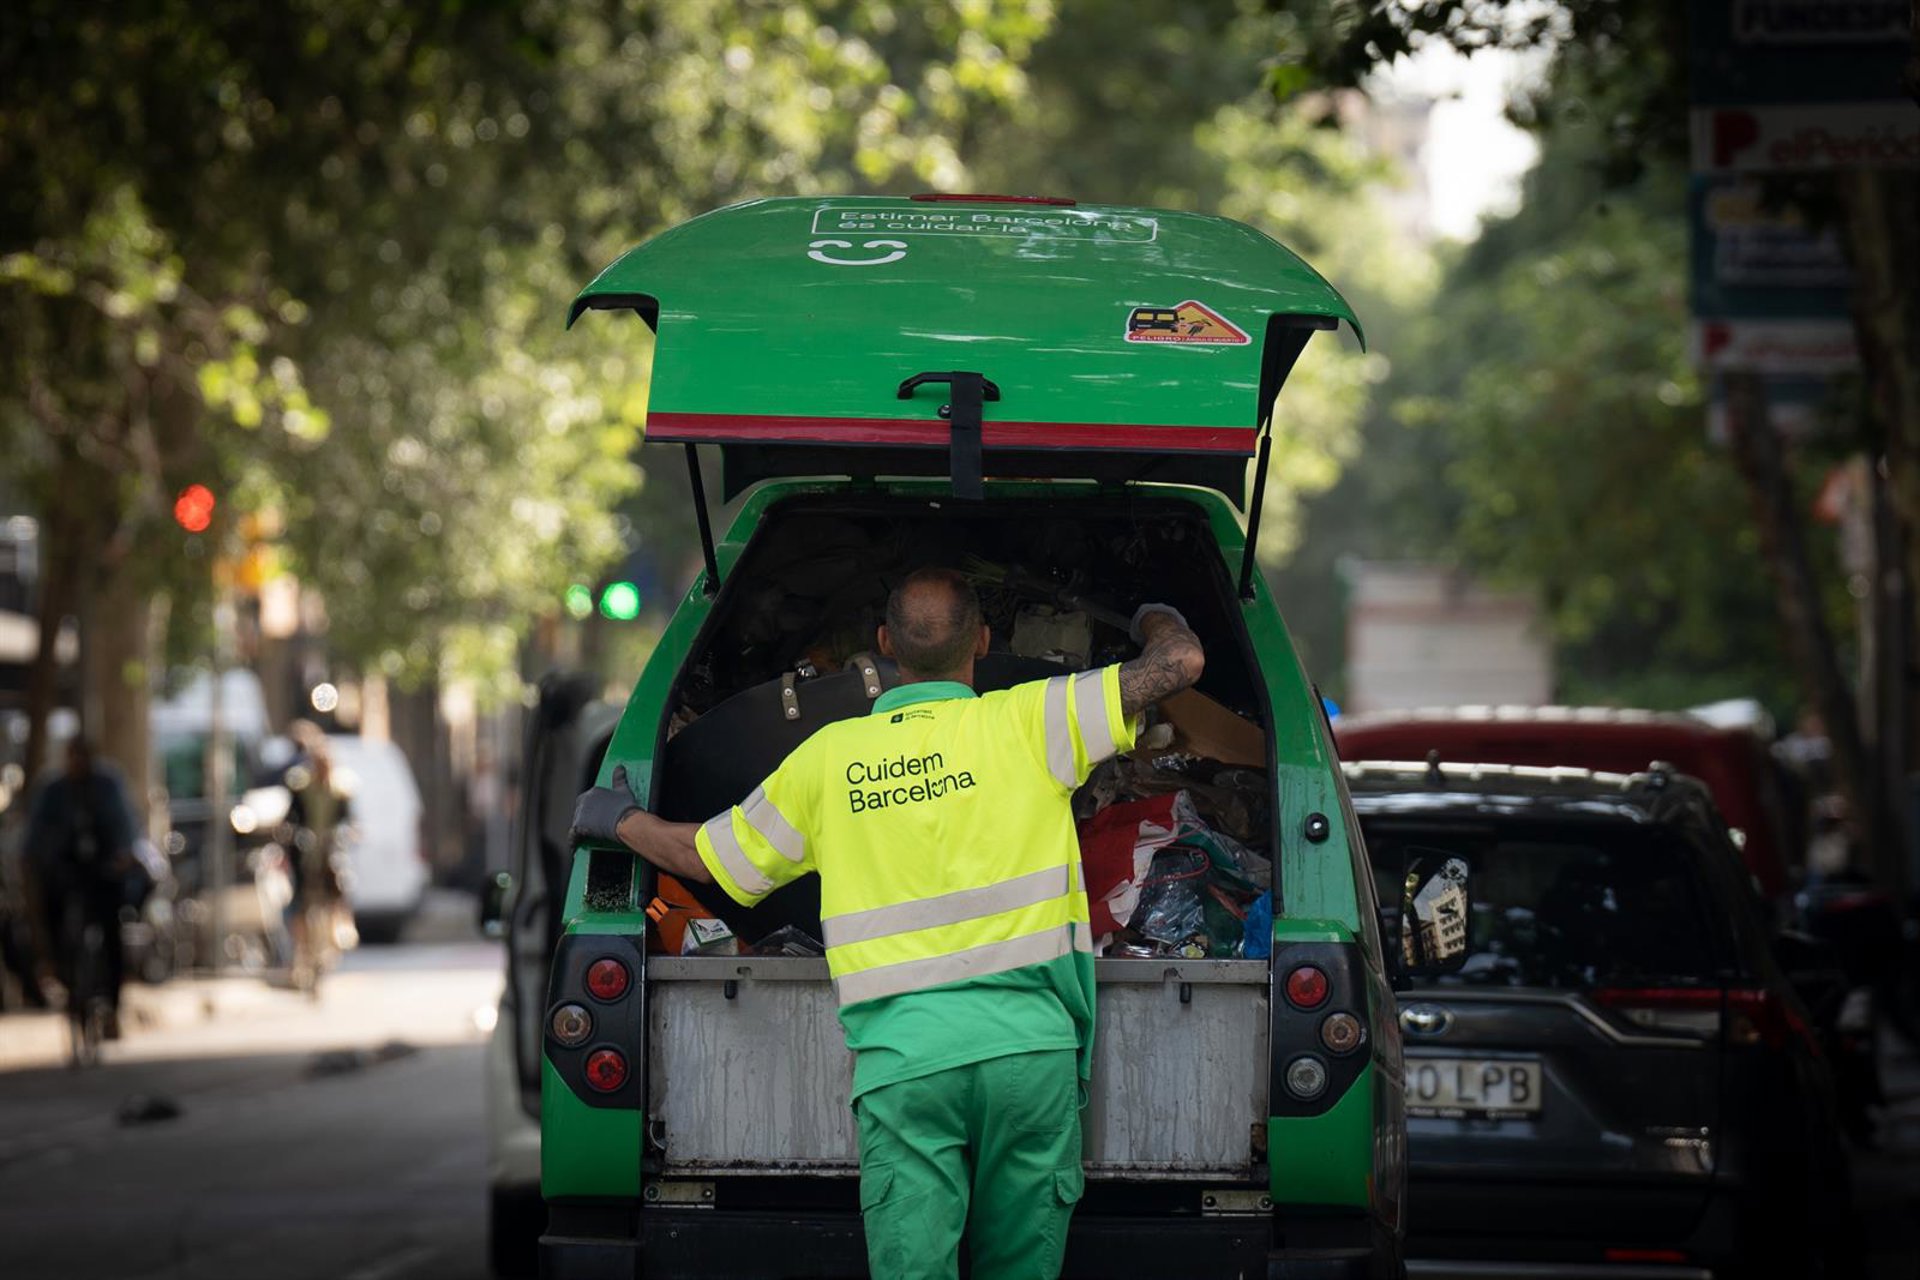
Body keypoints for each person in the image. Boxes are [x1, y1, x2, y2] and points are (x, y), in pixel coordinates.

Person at [572, 568, 1204, 1279]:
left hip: (908, 1075)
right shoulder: (1034, 721)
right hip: (1031, 1059)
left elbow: (711, 860)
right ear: (984, 642)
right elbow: (1178, 664)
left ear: (884, 645)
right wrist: (1151, 613)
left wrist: (621, 820)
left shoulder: (825, 762)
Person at [24, 739, 138, 1035]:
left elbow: (124, 826)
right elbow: (35, 837)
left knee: (112, 932)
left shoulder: (107, 785)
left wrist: (123, 856)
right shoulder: (53, 790)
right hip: (65, 871)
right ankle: (57, 970)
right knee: (51, 917)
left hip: (103, 869)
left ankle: (112, 1007)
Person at [283, 734, 353, 987]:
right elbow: (290, 817)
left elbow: (347, 819)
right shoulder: (300, 786)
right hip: (304, 852)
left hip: (329, 851)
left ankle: (341, 928)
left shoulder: (341, 789)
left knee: (338, 887)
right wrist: (292, 833)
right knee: (298, 901)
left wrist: (344, 834)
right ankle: (299, 952)